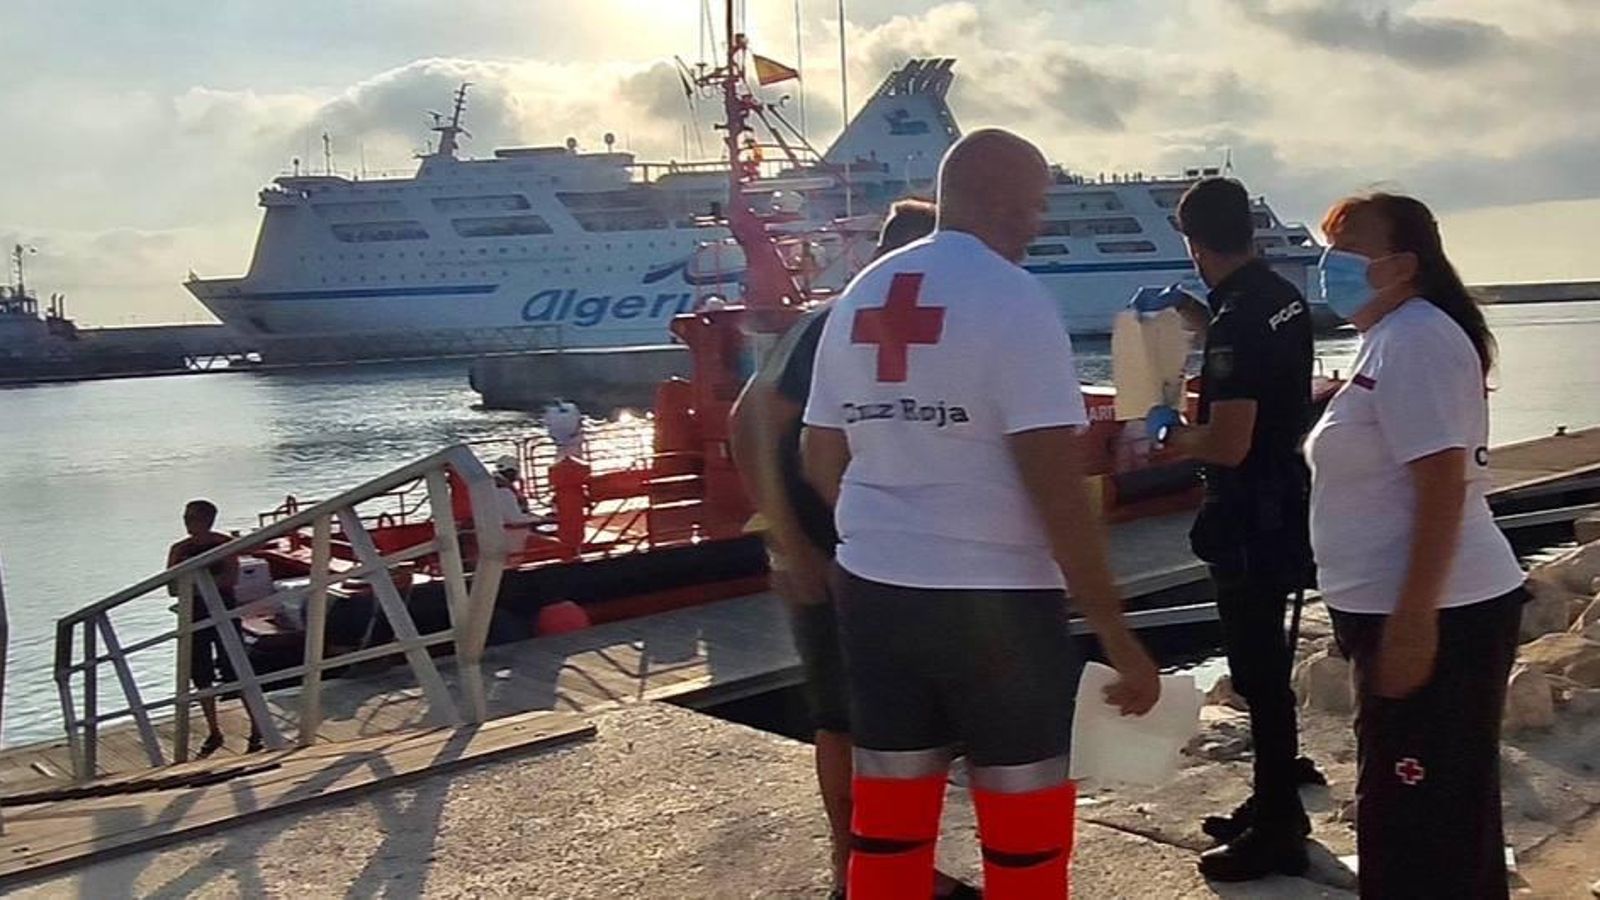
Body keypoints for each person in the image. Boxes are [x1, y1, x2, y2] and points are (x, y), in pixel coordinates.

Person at [802, 129, 1160, 900]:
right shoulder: (1012, 298)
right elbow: (1054, 484)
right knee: (1025, 836)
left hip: (875, 592)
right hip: (996, 602)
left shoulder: (862, 292)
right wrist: (1116, 635)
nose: (1037, 223)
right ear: (1000, 201)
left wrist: (882, 525)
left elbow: (817, 451)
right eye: (1034, 206)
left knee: (888, 829)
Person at [1306, 192, 1525, 898]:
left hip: (1441, 610)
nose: (1329, 264)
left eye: (1348, 248)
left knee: (1421, 820)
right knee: (1427, 815)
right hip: (1401, 605)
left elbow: (1441, 489)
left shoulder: (1418, 339)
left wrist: (1412, 622)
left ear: (1402, 265)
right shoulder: (1390, 337)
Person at [729, 198, 942, 899]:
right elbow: (749, 423)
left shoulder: (901, 325)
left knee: (893, 719)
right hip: (827, 554)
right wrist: (794, 546)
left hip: (884, 554)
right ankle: (851, 869)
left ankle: (893, 860)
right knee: (844, 720)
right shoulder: (833, 324)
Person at [1143, 177, 1317, 881]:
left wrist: (1168, 433)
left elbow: (1228, 443)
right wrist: (1191, 311)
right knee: (1266, 667)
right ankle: (1275, 794)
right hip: (1285, 499)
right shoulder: (1279, 296)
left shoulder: (1237, 322)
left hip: (1248, 512)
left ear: (1192, 242)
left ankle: (1278, 825)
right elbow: (1248, 344)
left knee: (1256, 670)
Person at [166, 499, 262, 755]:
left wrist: (194, 582)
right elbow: (172, 588)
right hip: (194, 615)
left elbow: (230, 579)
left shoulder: (224, 545)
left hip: (223, 611)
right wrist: (199, 583)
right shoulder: (180, 549)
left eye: (192, 518)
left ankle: (257, 727)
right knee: (201, 674)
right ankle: (214, 731)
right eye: (186, 517)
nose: (187, 522)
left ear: (207, 520)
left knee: (237, 668)